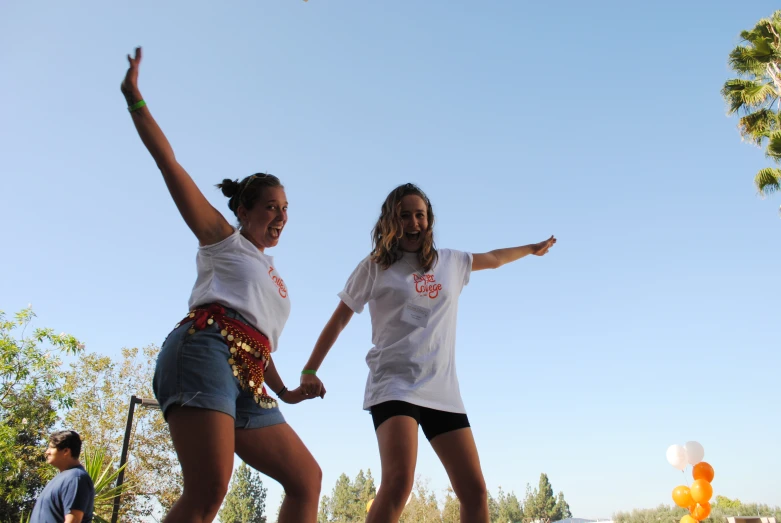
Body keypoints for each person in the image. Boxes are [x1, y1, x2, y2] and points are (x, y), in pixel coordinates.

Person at [121, 47, 322, 523]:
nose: (280, 216)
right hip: (204, 349)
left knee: (306, 479)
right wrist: (135, 99)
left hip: (250, 374)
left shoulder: (274, 276)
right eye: (270, 206)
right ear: (243, 211)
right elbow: (170, 164)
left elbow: (260, 344)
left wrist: (288, 392)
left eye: (285, 208)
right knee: (209, 489)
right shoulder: (223, 240)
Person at [300, 183, 556, 523]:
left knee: (474, 490)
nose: (413, 222)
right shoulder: (374, 266)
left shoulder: (451, 262)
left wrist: (530, 249)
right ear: (391, 221)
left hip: (442, 390)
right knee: (398, 483)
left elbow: (494, 259)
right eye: (404, 215)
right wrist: (310, 370)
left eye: (419, 215)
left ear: (429, 221)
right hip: (394, 384)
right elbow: (339, 320)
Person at [30, 430, 95, 523]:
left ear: (66, 451)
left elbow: (73, 520)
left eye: (51, 448)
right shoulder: (61, 478)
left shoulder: (76, 478)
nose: (47, 452)